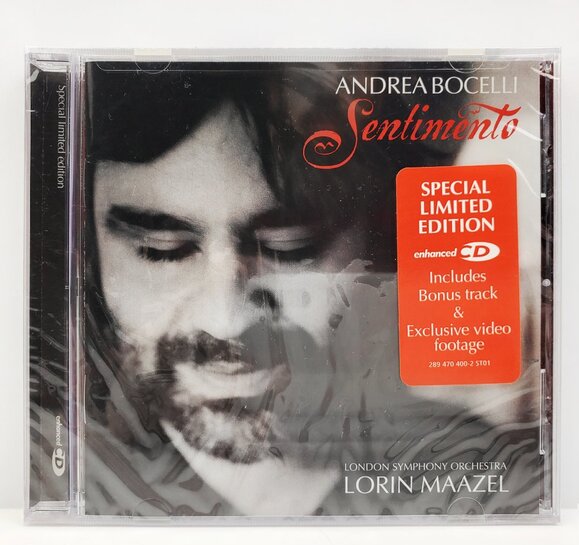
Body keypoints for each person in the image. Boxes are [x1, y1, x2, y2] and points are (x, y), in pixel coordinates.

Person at [82, 62, 542, 517]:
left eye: (289, 247)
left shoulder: (488, 481)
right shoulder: (67, 478)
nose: (226, 318)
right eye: (160, 251)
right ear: (89, 249)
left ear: (383, 240)